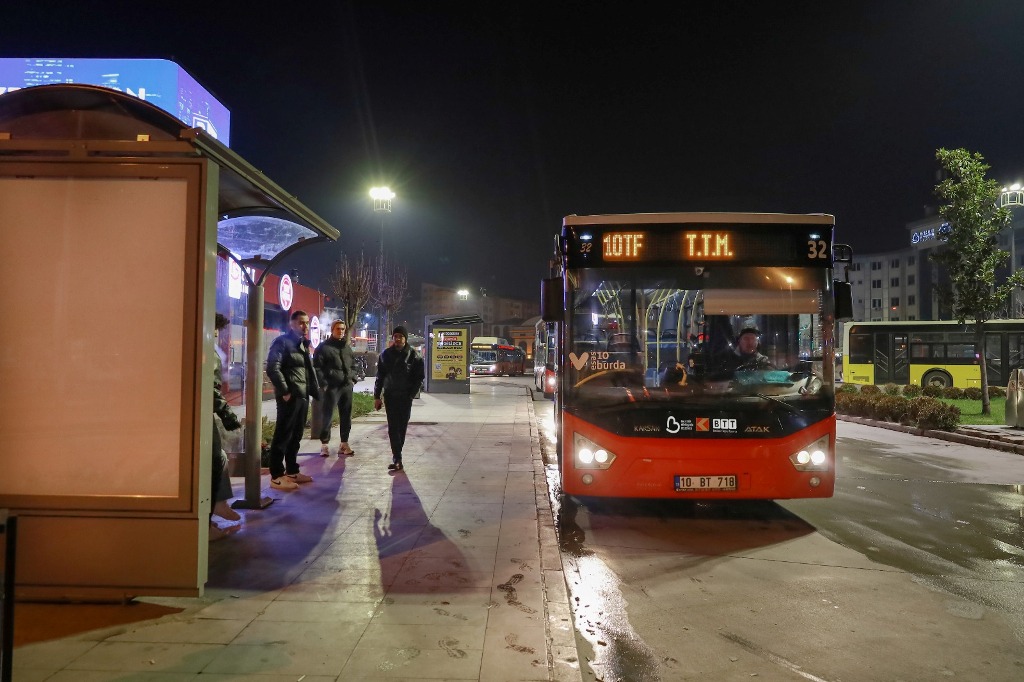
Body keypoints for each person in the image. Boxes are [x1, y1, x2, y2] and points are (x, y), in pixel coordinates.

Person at [266, 310, 321, 490]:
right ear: (292, 324)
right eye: (301, 323)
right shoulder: (282, 342)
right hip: (290, 396)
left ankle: (292, 470)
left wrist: (314, 391)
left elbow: (307, 372)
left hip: (302, 395)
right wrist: (285, 391)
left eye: (307, 323)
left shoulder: (303, 344)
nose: (305, 326)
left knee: (296, 435)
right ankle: (276, 476)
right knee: (283, 435)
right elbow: (273, 367)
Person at [373, 326, 425, 471]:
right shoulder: (385, 355)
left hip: (405, 397)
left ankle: (397, 456)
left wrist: (411, 394)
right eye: (395, 336)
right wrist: (377, 396)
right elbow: (380, 377)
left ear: (405, 338)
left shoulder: (414, 356)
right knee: (393, 427)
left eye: (400, 336)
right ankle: (397, 457)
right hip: (390, 396)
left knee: (402, 426)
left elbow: (419, 378)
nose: (398, 339)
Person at [211, 313, 241, 539]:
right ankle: (210, 515)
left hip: (197, 413)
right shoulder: (207, 351)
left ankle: (217, 505)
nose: (216, 334)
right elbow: (210, 388)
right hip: (200, 414)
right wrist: (228, 415)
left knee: (217, 457)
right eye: (215, 329)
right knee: (215, 459)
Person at [313, 319, 357, 457]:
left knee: (346, 416)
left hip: (346, 386)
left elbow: (353, 365)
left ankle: (344, 443)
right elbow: (317, 367)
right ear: (332, 330)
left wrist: (353, 379)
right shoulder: (323, 347)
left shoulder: (346, 347)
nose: (341, 331)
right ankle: (324, 444)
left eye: (343, 329)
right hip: (332, 387)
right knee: (327, 415)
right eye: (338, 329)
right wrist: (324, 384)